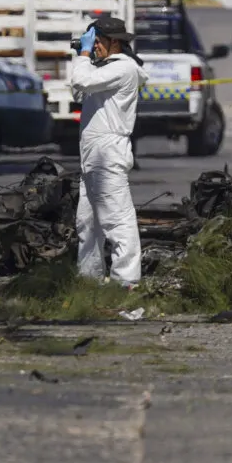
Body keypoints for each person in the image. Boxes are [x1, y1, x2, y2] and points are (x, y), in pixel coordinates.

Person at [71, 16, 148, 287]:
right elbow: (78, 92)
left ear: (114, 42)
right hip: (92, 153)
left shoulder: (123, 69)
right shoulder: (104, 69)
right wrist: (87, 58)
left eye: (97, 42)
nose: (94, 47)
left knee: (117, 220)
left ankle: (126, 282)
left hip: (107, 152)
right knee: (88, 224)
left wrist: (82, 54)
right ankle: (89, 281)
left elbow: (82, 82)